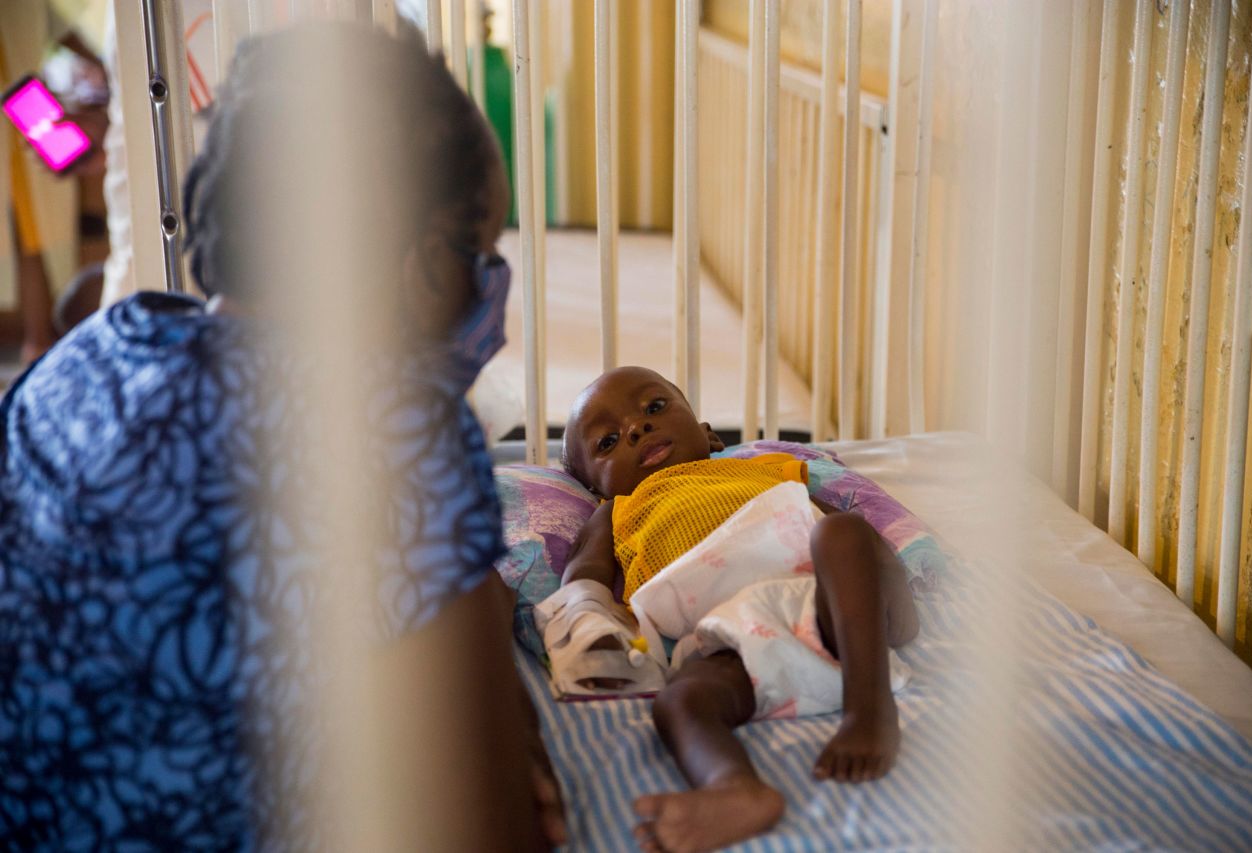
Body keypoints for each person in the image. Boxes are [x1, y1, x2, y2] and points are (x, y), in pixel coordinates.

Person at [0, 22, 564, 850]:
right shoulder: (392, 431)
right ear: (416, 262)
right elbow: (496, 833)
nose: (488, 299)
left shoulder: (75, 363)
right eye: (481, 259)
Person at [551, 365, 919, 853]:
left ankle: (869, 712)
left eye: (654, 408)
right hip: (733, 634)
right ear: (597, 489)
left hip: (825, 602)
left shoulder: (763, 468)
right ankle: (733, 788)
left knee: (841, 532)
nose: (637, 429)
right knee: (681, 701)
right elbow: (582, 578)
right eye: (608, 441)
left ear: (708, 435)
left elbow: (849, 539)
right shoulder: (615, 511)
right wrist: (595, 620)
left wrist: (885, 577)